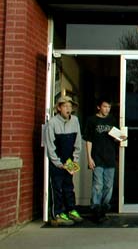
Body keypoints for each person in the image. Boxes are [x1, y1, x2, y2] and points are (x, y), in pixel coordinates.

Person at [45, 95, 84, 226]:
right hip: (58, 161)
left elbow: (78, 141)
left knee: (69, 187)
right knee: (57, 188)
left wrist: (75, 159)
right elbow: (50, 145)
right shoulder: (52, 123)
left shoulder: (75, 121)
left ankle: (71, 210)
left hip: (69, 160)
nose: (68, 109)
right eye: (65, 106)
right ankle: (58, 213)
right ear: (59, 108)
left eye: (70, 106)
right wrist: (57, 162)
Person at [84, 98, 124, 222]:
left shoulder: (112, 120)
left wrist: (120, 138)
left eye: (109, 107)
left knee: (108, 185)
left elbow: (116, 137)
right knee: (97, 185)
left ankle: (104, 208)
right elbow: (88, 140)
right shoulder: (91, 120)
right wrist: (89, 158)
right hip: (97, 157)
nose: (107, 109)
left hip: (110, 157)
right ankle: (96, 209)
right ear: (98, 107)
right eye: (105, 106)